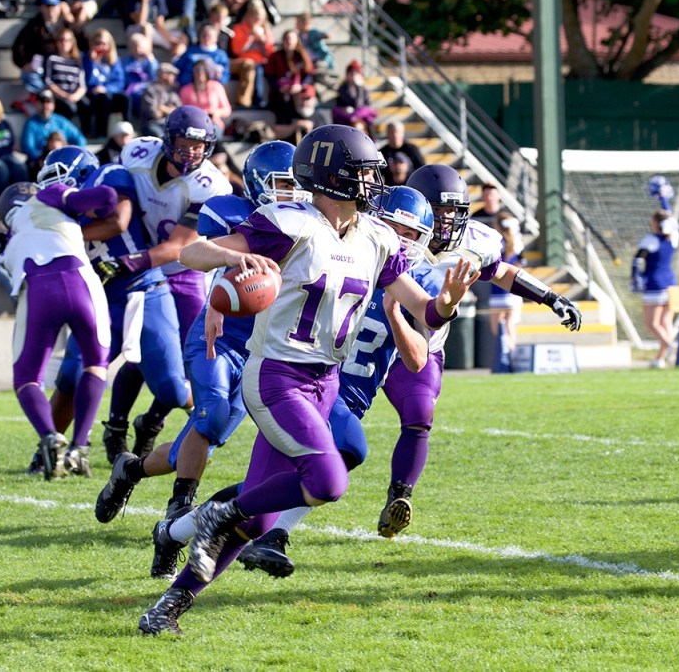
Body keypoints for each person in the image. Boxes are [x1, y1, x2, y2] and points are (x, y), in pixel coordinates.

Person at [136, 125, 479, 635]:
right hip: (276, 375)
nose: (372, 183)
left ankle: (169, 604)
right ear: (333, 175)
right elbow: (192, 253)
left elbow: (423, 309)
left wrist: (448, 301)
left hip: (326, 382)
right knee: (326, 481)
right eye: (363, 173)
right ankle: (213, 513)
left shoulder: (376, 237)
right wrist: (238, 258)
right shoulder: (290, 223)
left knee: (258, 520)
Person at [93, 143, 309, 556]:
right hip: (219, 335)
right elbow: (194, 252)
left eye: (296, 186)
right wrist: (232, 261)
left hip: (262, 350)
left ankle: (130, 469)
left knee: (203, 440)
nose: (291, 195)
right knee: (208, 414)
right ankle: (179, 510)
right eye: (282, 184)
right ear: (259, 183)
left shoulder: (309, 225)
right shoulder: (234, 212)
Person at [235, 184, 439, 578]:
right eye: (396, 229)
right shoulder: (351, 254)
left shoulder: (415, 283)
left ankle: (180, 529)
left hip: (344, 395)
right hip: (308, 382)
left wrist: (398, 313)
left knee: (273, 486)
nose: (403, 240)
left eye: (412, 235)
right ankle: (273, 535)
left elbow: (417, 360)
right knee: (346, 451)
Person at [368, 164, 581, 540]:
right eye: (440, 210)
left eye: (454, 210)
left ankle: (399, 496)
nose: (448, 219)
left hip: (420, 346)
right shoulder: (387, 231)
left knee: (420, 415)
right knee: (337, 433)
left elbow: (502, 272)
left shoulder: (474, 241)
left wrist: (550, 297)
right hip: (362, 341)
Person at [97, 105, 232, 466]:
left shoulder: (211, 183)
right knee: (141, 353)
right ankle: (116, 426)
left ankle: (152, 419)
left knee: (190, 360)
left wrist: (127, 261)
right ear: (167, 140)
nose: (191, 152)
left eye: (199, 146)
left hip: (184, 269)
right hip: (143, 271)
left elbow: (179, 247)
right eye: (185, 143)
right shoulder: (137, 153)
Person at [49, 160, 191, 476]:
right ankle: (51, 448)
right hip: (101, 300)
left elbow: (119, 222)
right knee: (71, 374)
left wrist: (60, 231)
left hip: (144, 291)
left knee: (173, 391)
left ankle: (210, 415)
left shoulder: (110, 177)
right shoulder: (55, 215)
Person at [0, 149, 116, 480]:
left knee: (26, 378)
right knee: (95, 364)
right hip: (79, 282)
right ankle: (80, 446)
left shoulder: (8, 239)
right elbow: (106, 196)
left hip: (37, 293)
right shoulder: (50, 194)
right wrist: (89, 207)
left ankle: (50, 436)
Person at [472, 183, 524, 372]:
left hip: (497, 292)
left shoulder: (495, 244)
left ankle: (503, 360)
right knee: (511, 327)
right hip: (513, 292)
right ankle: (511, 357)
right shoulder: (516, 244)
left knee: (497, 329)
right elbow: (520, 263)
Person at [631, 209, 679, 368]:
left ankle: (671, 346)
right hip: (671, 283)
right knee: (666, 323)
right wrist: (664, 198)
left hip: (655, 284)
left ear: (657, 223)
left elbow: (638, 260)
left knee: (652, 324)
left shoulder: (650, 240)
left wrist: (635, 277)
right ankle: (660, 359)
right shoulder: (673, 238)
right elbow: (670, 218)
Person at [11, 0, 72, 98]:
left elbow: (82, 41)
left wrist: (69, 18)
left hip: (59, 71)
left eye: (53, 6)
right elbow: (18, 47)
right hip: (40, 71)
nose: (50, 10)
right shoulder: (34, 26)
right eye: (47, 6)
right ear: (42, 8)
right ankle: (45, 98)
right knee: (30, 78)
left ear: (59, 7)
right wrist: (24, 63)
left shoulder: (65, 25)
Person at [20, 89, 88, 168]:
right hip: (41, 163)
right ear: (36, 104)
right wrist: (45, 160)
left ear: (53, 104)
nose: (45, 106)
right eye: (42, 102)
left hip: (63, 161)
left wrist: (73, 155)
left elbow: (80, 139)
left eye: (48, 102)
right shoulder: (31, 123)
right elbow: (28, 147)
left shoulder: (61, 121)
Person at [123, 0, 187, 58]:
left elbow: (159, 24)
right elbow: (140, 21)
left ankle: (176, 59)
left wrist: (169, 39)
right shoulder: (132, 0)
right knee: (146, 26)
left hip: (154, 30)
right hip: (135, 30)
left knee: (181, 37)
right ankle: (149, 58)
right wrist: (144, 2)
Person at [82, 29, 129, 138]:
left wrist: (105, 88)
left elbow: (119, 82)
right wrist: (93, 62)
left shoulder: (114, 61)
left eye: (104, 44)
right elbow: (87, 80)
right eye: (98, 44)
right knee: (103, 99)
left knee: (125, 99)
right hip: (92, 94)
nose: (101, 47)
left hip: (109, 92)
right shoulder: (86, 59)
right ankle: (101, 133)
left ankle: (127, 130)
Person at [228, 0, 273, 108]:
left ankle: (262, 99)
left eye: (259, 18)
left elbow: (268, 54)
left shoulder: (266, 30)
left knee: (260, 68)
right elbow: (237, 51)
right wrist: (250, 38)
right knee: (252, 67)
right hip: (244, 61)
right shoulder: (239, 28)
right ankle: (251, 100)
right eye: (254, 17)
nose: (256, 21)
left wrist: (262, 42)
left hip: (261, 62)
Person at [44, 28, 88, 127]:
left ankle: (87, 134)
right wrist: (64, 95)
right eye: (61, 40)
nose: (64, 43)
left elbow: (82, 85)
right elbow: (48, 81)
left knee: (86, 104)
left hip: (74, 94)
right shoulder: (52, 59)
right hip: (59, 95)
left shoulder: (77, 62)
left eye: (67, 40)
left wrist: (75, 96)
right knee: (70, 108)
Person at [179, 59, 231, 139]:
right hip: (192, 125)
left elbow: (227, 109)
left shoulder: (216, 86)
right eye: (197, 70)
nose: (200, 72)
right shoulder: (185, 90)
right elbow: (182, 111)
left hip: (212, 123)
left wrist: (216, 113)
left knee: (213, 134)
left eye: (203, 69)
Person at [173, 23, 231, 88]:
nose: (206, 38)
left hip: (210, 88)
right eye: (204, 35)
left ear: (216, 38)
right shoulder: (191, 51)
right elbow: (178, 67)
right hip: (188, 86)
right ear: (199, 36)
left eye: (209, 36)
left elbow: (226, 76)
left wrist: (220, 77)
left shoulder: (221, 55)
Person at [332, 60, 377, 137]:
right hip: (347, 116)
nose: (353, 75)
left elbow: (363, 105)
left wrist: (359, 87)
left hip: (361, 116)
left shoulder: (363, 89)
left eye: (356, 73)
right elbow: (348, 103)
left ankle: (373, 140)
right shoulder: (343, 88)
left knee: (368, 121)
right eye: (351, 73)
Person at [138, 62, 182, 137]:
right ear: (164, 75)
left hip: (170, 124)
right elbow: (155, 114)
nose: (174, 77)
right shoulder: (150, 90)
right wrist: (170, 109)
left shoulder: (172, 92)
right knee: (161, 137)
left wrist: (162, 108)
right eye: (171, 74)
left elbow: (179, 112)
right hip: (152, 124)